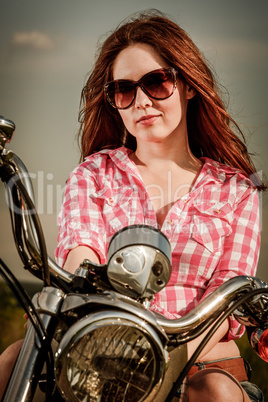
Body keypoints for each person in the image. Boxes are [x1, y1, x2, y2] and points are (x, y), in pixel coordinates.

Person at [0, 9, 265, 401]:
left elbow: (227, 299)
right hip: (98, 347)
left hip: (199, 356)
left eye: (157, 82)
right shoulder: (92, 175)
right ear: (114, 102)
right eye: (124, 90)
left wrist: (155, 354)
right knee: (11, 363)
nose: (141, 101)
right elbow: (79, 253)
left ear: (189, 85)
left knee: (215, 393)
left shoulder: (236, 190)